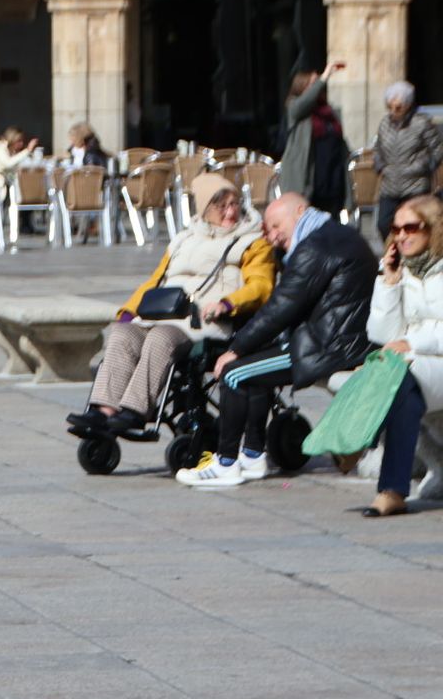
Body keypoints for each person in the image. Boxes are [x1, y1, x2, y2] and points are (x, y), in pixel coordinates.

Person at [177, 192, 377, 488]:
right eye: (267, 230)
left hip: (328, 347)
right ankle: (254, 455)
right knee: (252, 364)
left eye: (274, 226)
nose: (271, 237)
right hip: (337, 339)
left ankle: (226, 463)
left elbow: (282, 306)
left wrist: (236, 348)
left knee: (234, 373)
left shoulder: (315, 246)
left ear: (299, 212)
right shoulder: (332, 235)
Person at [69, 174, 274, 435]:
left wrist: (227, 303)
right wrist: (128, 312)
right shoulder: (183, 239)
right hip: (163, 314)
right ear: (204, 208)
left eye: (235, 204)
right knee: (122, 334)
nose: (231, 211)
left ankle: (135, 410)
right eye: (221, 206)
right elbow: (155, 281)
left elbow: (261, 285)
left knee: (161, 338)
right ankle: (103, 410)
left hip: (206, 321)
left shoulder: (253, 241)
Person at [362, 195, 443, 518]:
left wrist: (410, 342)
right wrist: (389, 284)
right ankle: (392, 490)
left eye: (411, 227)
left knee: (398, 378)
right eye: (396, 228)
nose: (401, 235)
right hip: (415, 365)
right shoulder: (402, 271)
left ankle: (362, 445)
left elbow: (404, 340)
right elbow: (383, 336)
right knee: (401, 385)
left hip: (431, 358)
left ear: (433, 228)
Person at [371, 80, 440, 239]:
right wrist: (381, 166)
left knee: (414, 226)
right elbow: (378, 148)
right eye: (390, 107)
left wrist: (424, 166)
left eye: (398, 107)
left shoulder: (422, 123)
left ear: (408, 105)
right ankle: (394, 252)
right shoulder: (385, 123)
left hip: (415, 186)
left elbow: (437, 149)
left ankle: (412, 254)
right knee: (384, 224)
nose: (393, 111)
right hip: (390, 186)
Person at [279, 62, 349, 216]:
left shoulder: (329, 110)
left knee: (331, 218)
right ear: (302, 87)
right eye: (314, 84)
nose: (318, 88)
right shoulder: (296, 109)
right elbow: (304, 102)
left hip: (333, 173)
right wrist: (325, 76)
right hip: (310, 177)